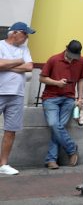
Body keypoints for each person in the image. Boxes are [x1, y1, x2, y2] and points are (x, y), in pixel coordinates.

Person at [39, 40, 83, 169]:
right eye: (71, 56)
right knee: (54, 124)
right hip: (50, 98)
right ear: (66, 49)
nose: (73, 59)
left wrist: (80, 98)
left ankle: (51, 160)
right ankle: (71, 149)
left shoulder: (81, 61)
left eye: (75, 57)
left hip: (69, 99)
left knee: (58, 128)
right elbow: (42, 78)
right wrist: (57, 83)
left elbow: (81, 79)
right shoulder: (54, 59)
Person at [0, 22, 35, 176]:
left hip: (17, 94)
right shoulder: (1, 45)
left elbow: (29, 67)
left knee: (11, 130)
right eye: (25, 34)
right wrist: (18, 61)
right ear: (14, 33)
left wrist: (6, 65)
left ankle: (3, 164)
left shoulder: (25, 49)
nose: (27, 37)